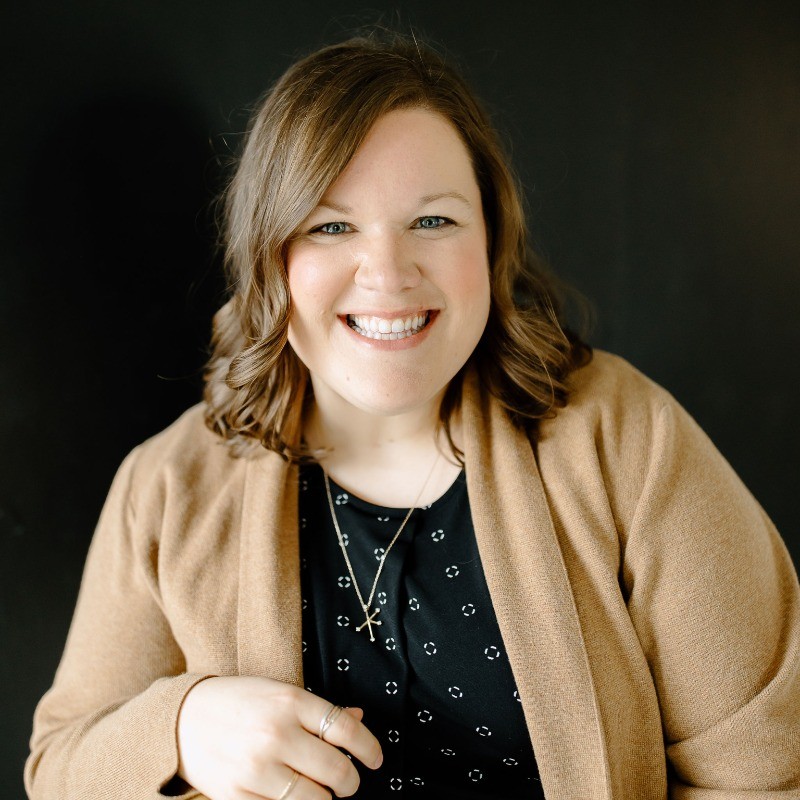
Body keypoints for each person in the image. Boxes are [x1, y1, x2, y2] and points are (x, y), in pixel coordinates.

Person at [25, 31, 799, 800]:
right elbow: (58, 766)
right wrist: (184, 729)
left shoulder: (626, 439)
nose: (389, 275)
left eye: (433, 221)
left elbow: (770, 773)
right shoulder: (165, 486)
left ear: (491, 240)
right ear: (269, 255)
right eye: (330, 225)